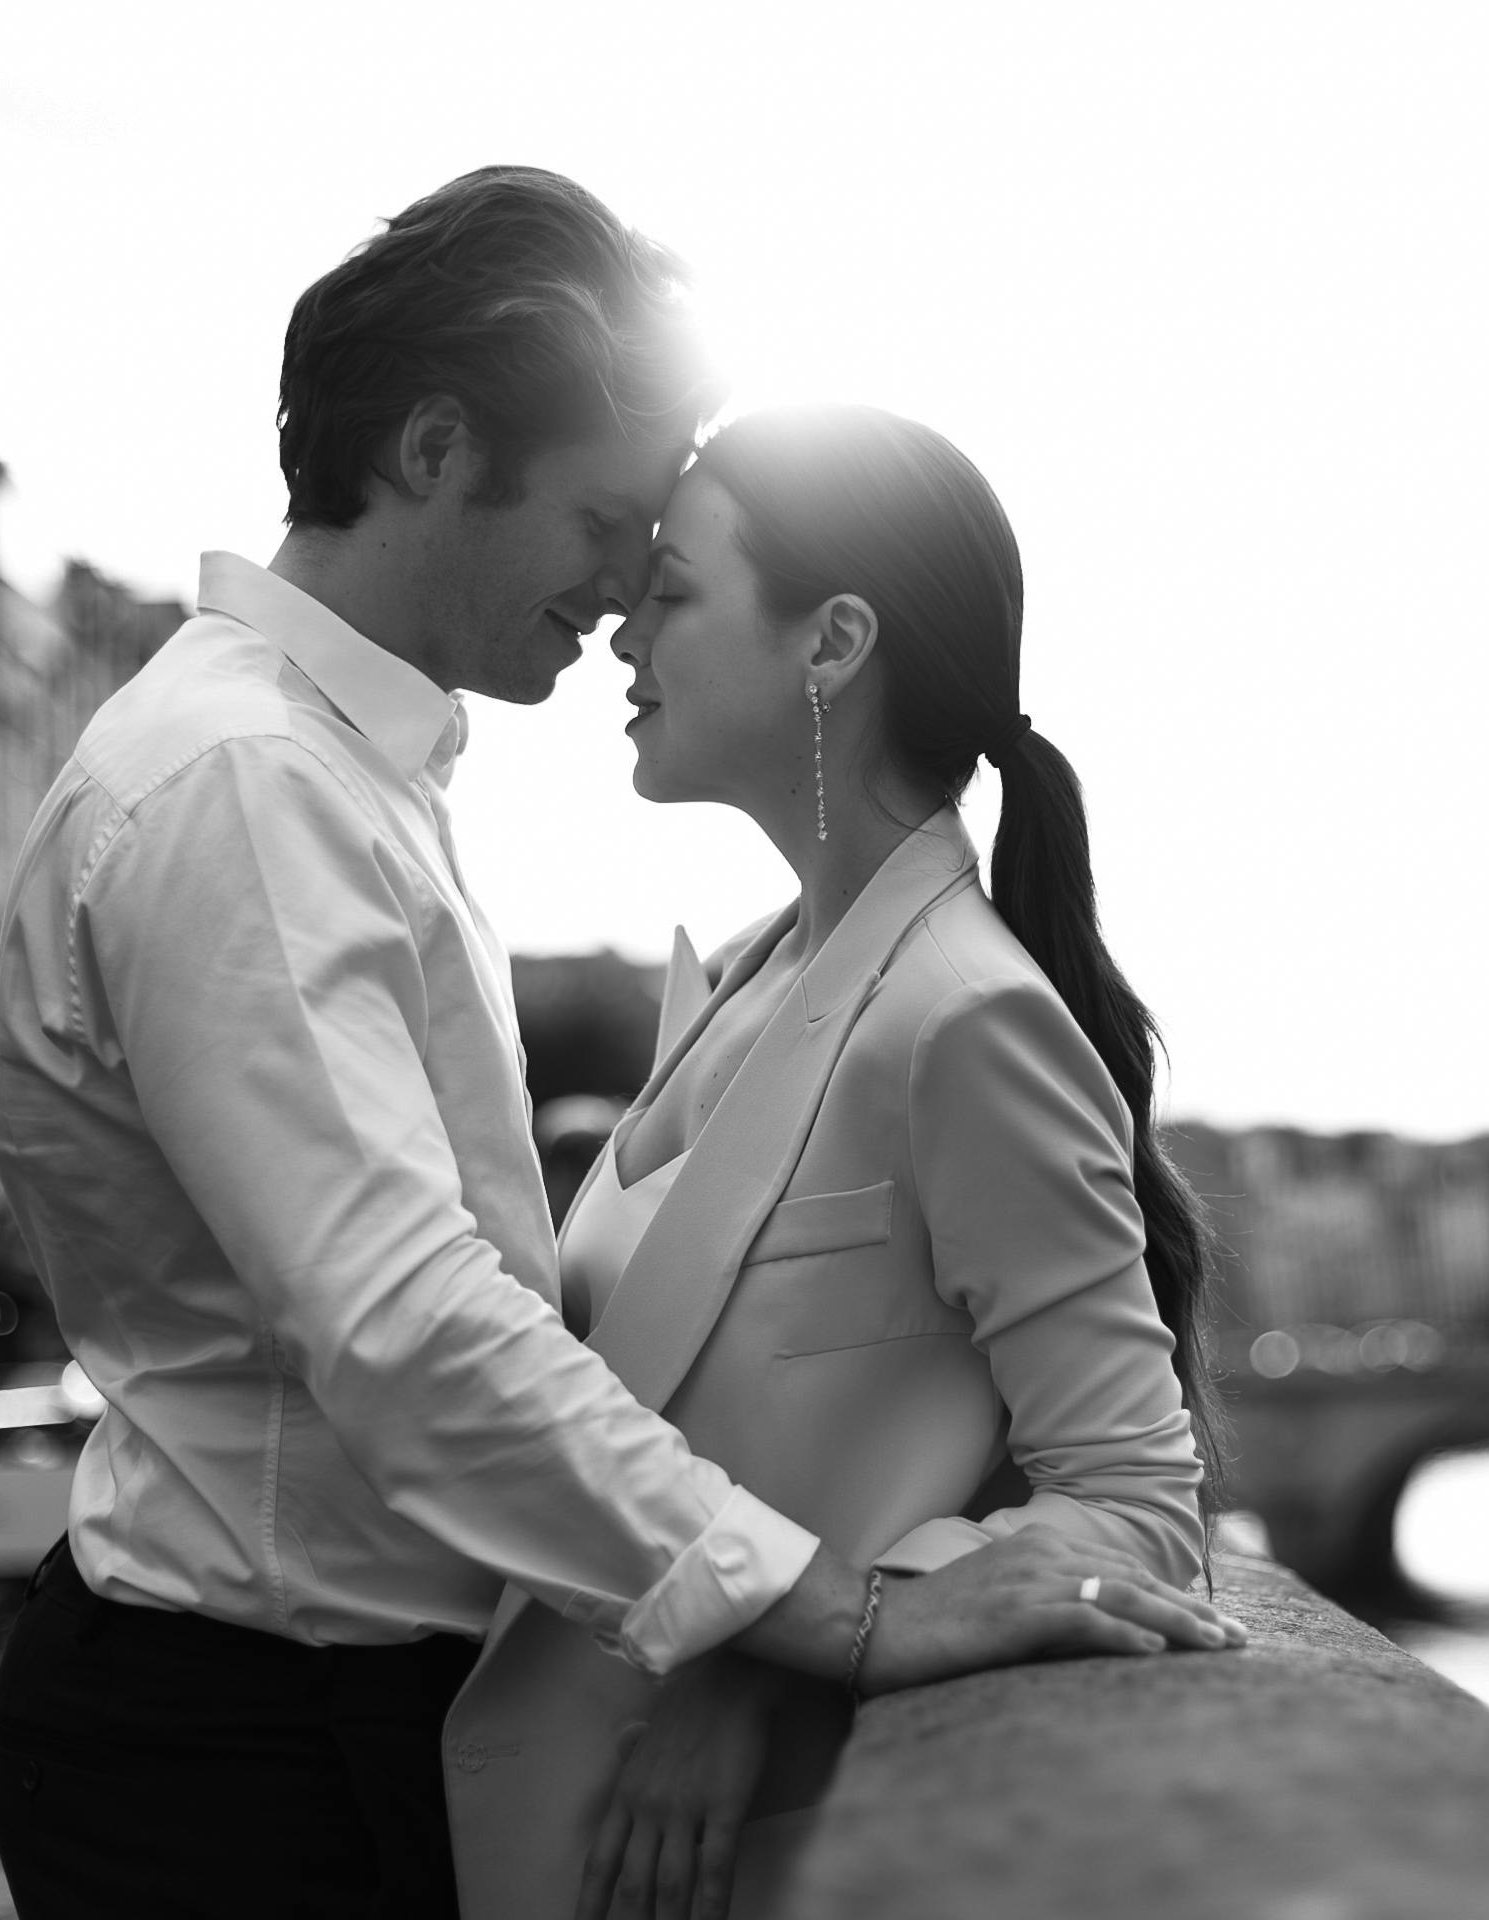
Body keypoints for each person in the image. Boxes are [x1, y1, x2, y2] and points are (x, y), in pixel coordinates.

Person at [0, 168, 1238, 1919]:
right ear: (433, 451)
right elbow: (413, 1327)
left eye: (667, 555)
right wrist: (823, 1619)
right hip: (249, 1746)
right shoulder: (251, 789)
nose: (624, 591)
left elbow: (1058, 1448)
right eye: (604, 521)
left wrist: (773, 1642)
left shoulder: (345, 784)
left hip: (339, 1723)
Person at [442, 404, 1221, 1920]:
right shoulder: (751, 972)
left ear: (831, 643)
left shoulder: (967, 1018)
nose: (621, 635)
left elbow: (1139, 1508)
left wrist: (794, 1672)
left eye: (672, 594)